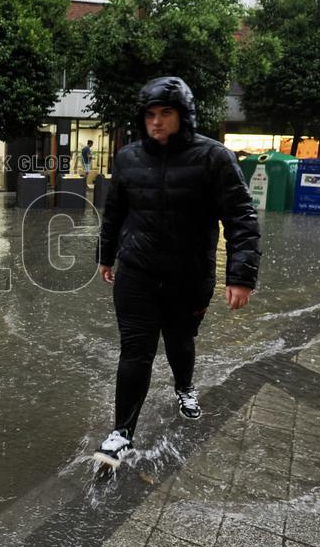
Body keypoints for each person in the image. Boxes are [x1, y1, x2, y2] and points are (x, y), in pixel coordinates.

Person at [93, 77, 261, 469]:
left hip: (189, 276)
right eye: (150, 114)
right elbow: (115, 211)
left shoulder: (215, 158)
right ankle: (122, 433)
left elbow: (240, 217)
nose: (156, 122)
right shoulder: (128, 158)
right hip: (138, 271)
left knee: (180, 342)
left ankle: (185, 387)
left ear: (183, 115)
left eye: (165, 113)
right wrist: (105, 255)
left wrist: (241, 276)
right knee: (136, 350)